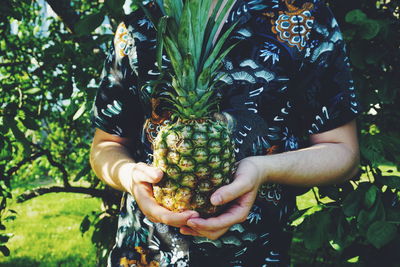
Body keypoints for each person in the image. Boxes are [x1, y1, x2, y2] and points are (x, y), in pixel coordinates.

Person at [90, 0, 361, 266]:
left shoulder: (304, 17)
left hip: (258, 253)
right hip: (145, 252)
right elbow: (106, 145)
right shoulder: (141, 24)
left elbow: (343, 152)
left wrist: (263, 169)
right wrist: (130, 176)